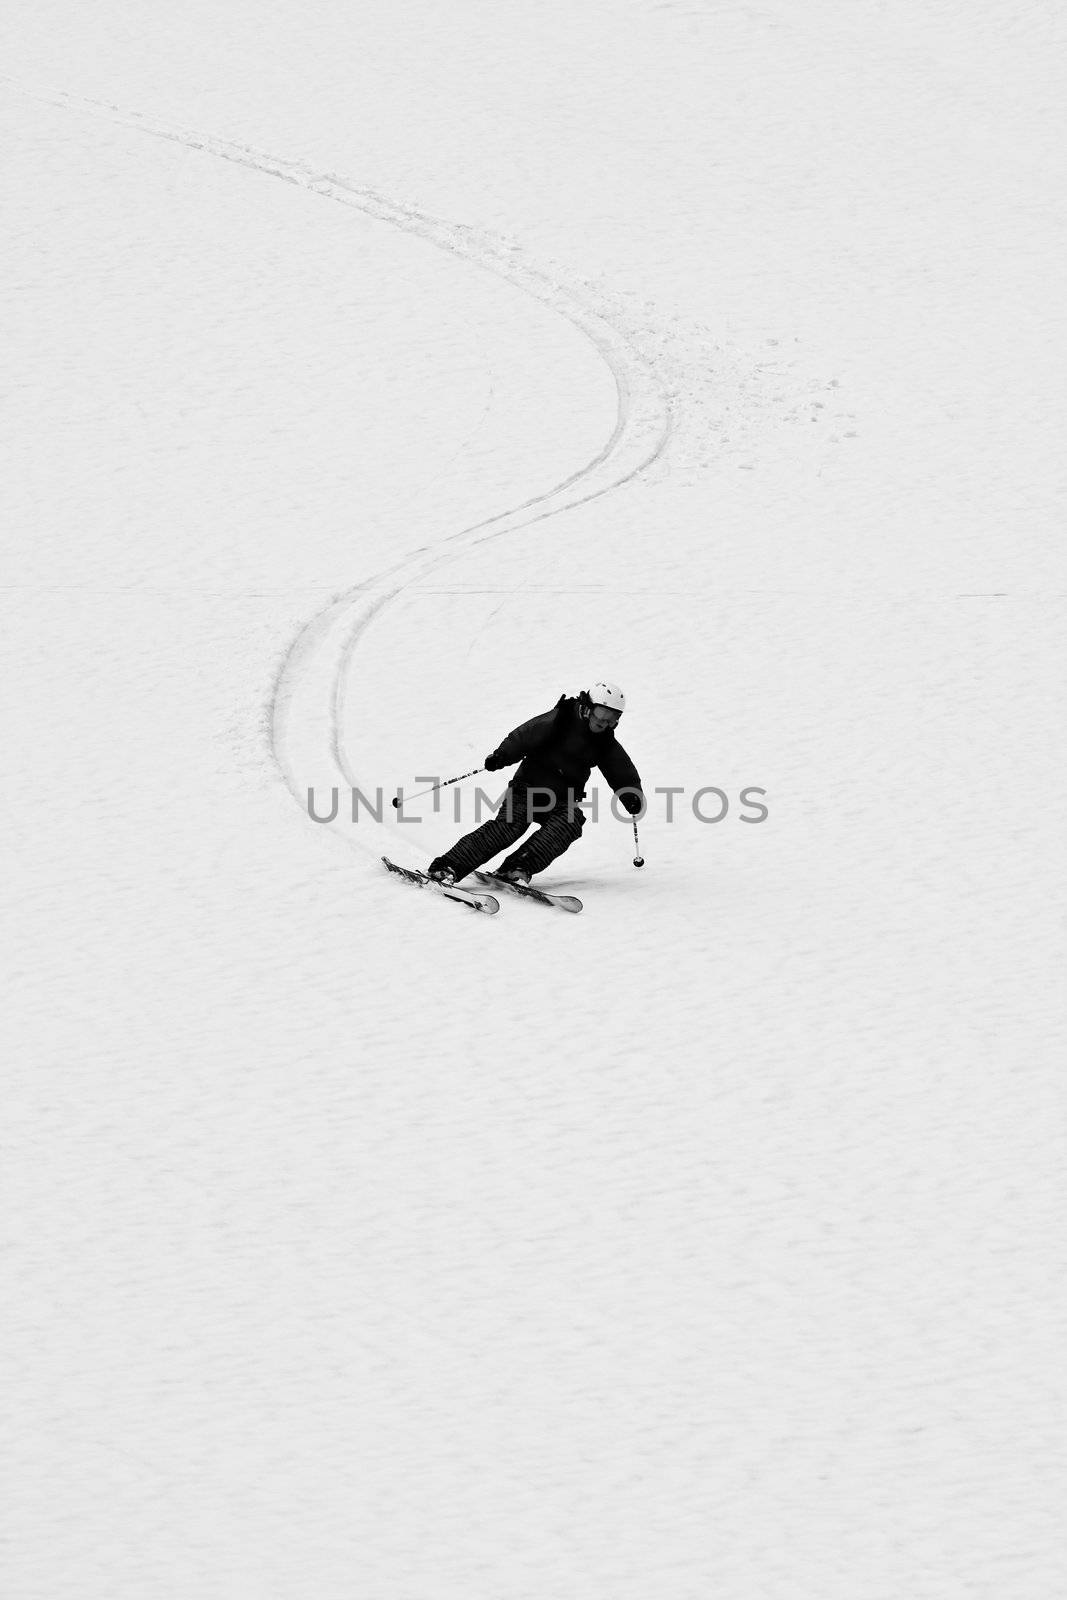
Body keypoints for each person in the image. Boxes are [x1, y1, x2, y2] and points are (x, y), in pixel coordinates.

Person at [427, 682, 645, 886]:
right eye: (602, 714)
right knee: (509, 826)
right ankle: (448, 866)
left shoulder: (605, 742)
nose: (605, 722)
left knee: (569, 823)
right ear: (588, 708)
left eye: (613, 718)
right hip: (528, 788)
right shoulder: (560, 720)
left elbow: (621, 771)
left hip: (562, 799)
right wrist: (501, 756)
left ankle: (517, 868)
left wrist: (631, 796)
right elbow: (525, 736)